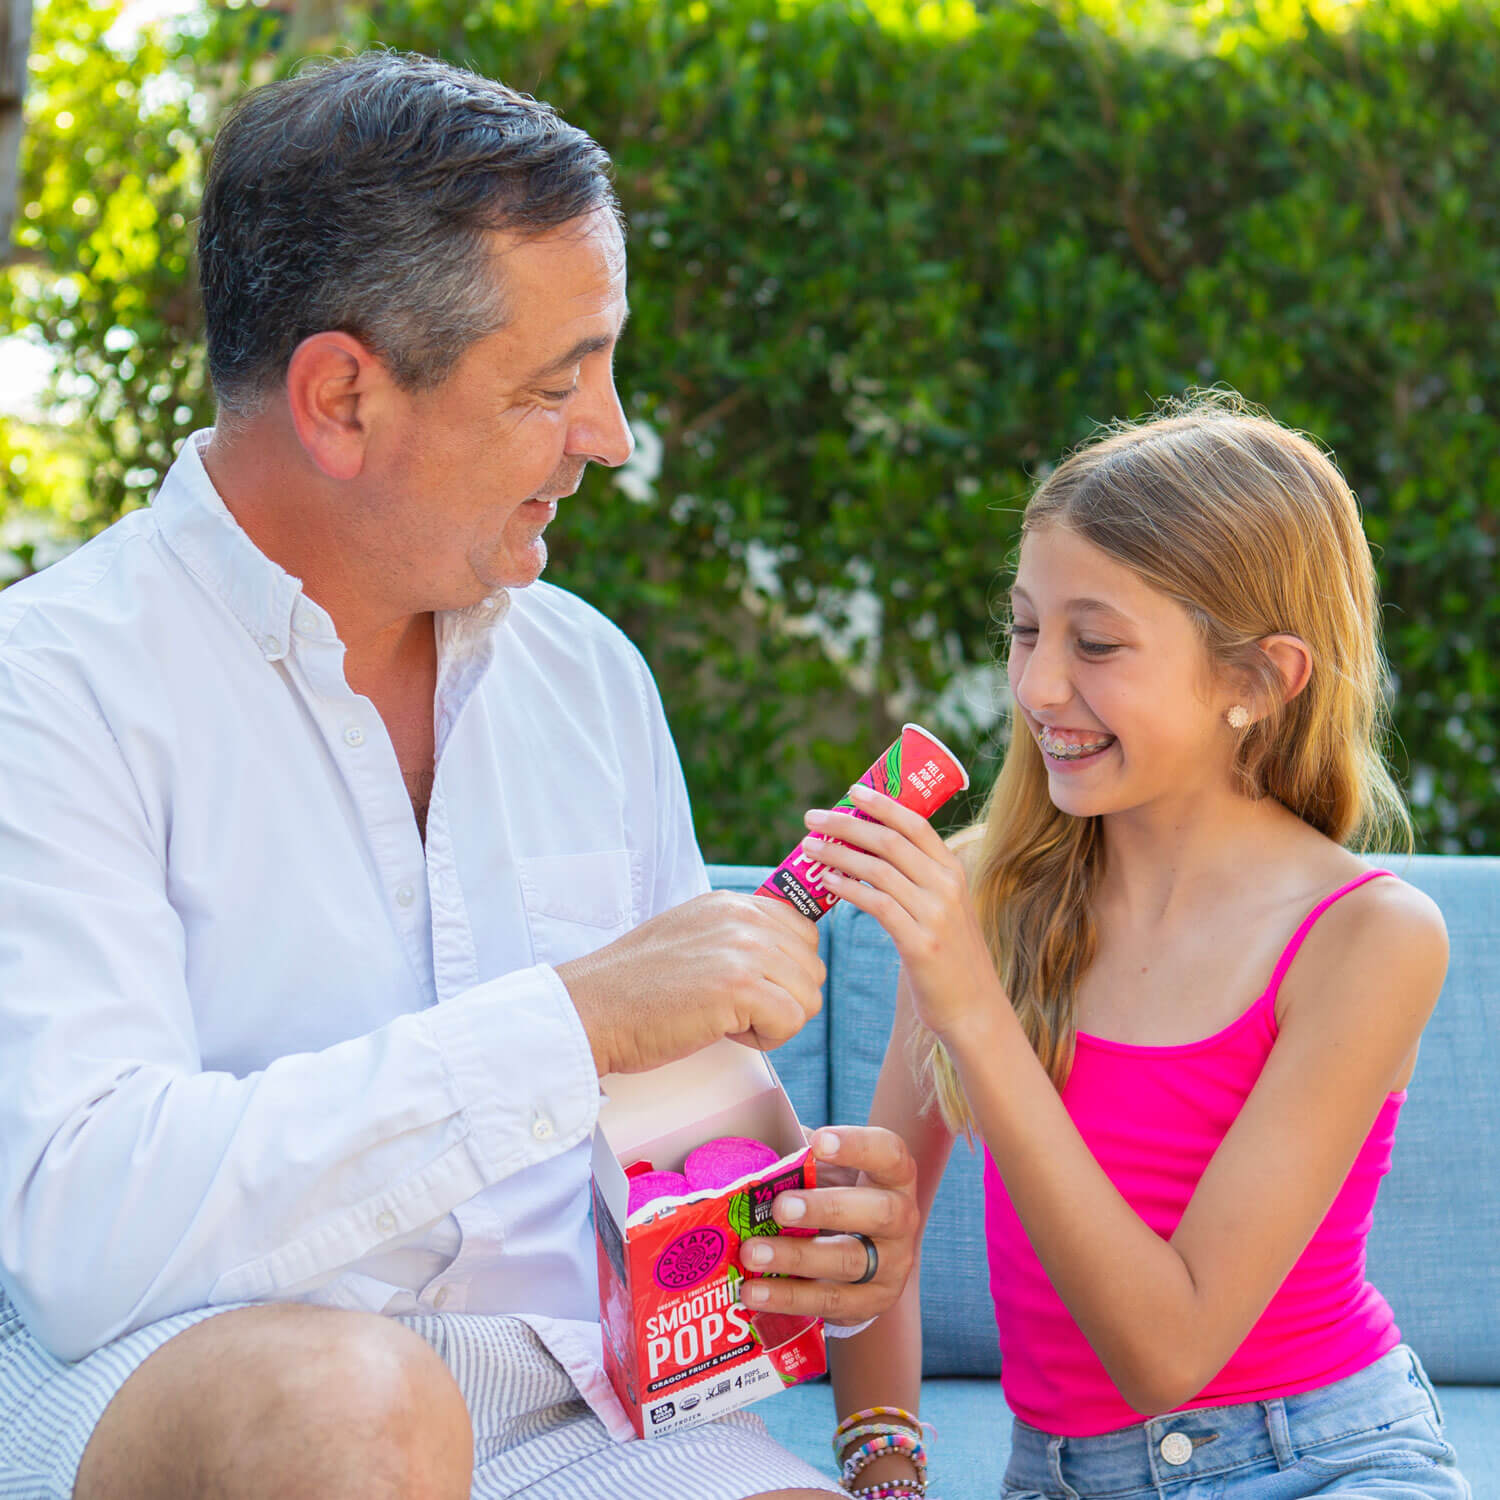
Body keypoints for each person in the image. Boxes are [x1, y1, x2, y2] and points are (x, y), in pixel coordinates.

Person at [0, 52, 920, 1500]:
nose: (610, 437)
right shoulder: (50, 685)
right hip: (188, 1382)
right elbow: (84, 1231)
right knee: (358, 1413)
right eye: (556, 386)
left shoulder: (588, 679)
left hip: (576, 1414)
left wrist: (807, 1245)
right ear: (342, 399)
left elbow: (672, 1157)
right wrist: (572, 1023)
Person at [805, 394, 1471, 1498]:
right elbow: (885, 1228)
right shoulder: (988, 888)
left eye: (1097, 643)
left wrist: (974, 1007)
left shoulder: (1366, 938)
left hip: (1322, 1462)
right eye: (1025, 629)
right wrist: (883, 1460)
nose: (1037, 687)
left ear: (1258, 681)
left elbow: (1167, 1354)